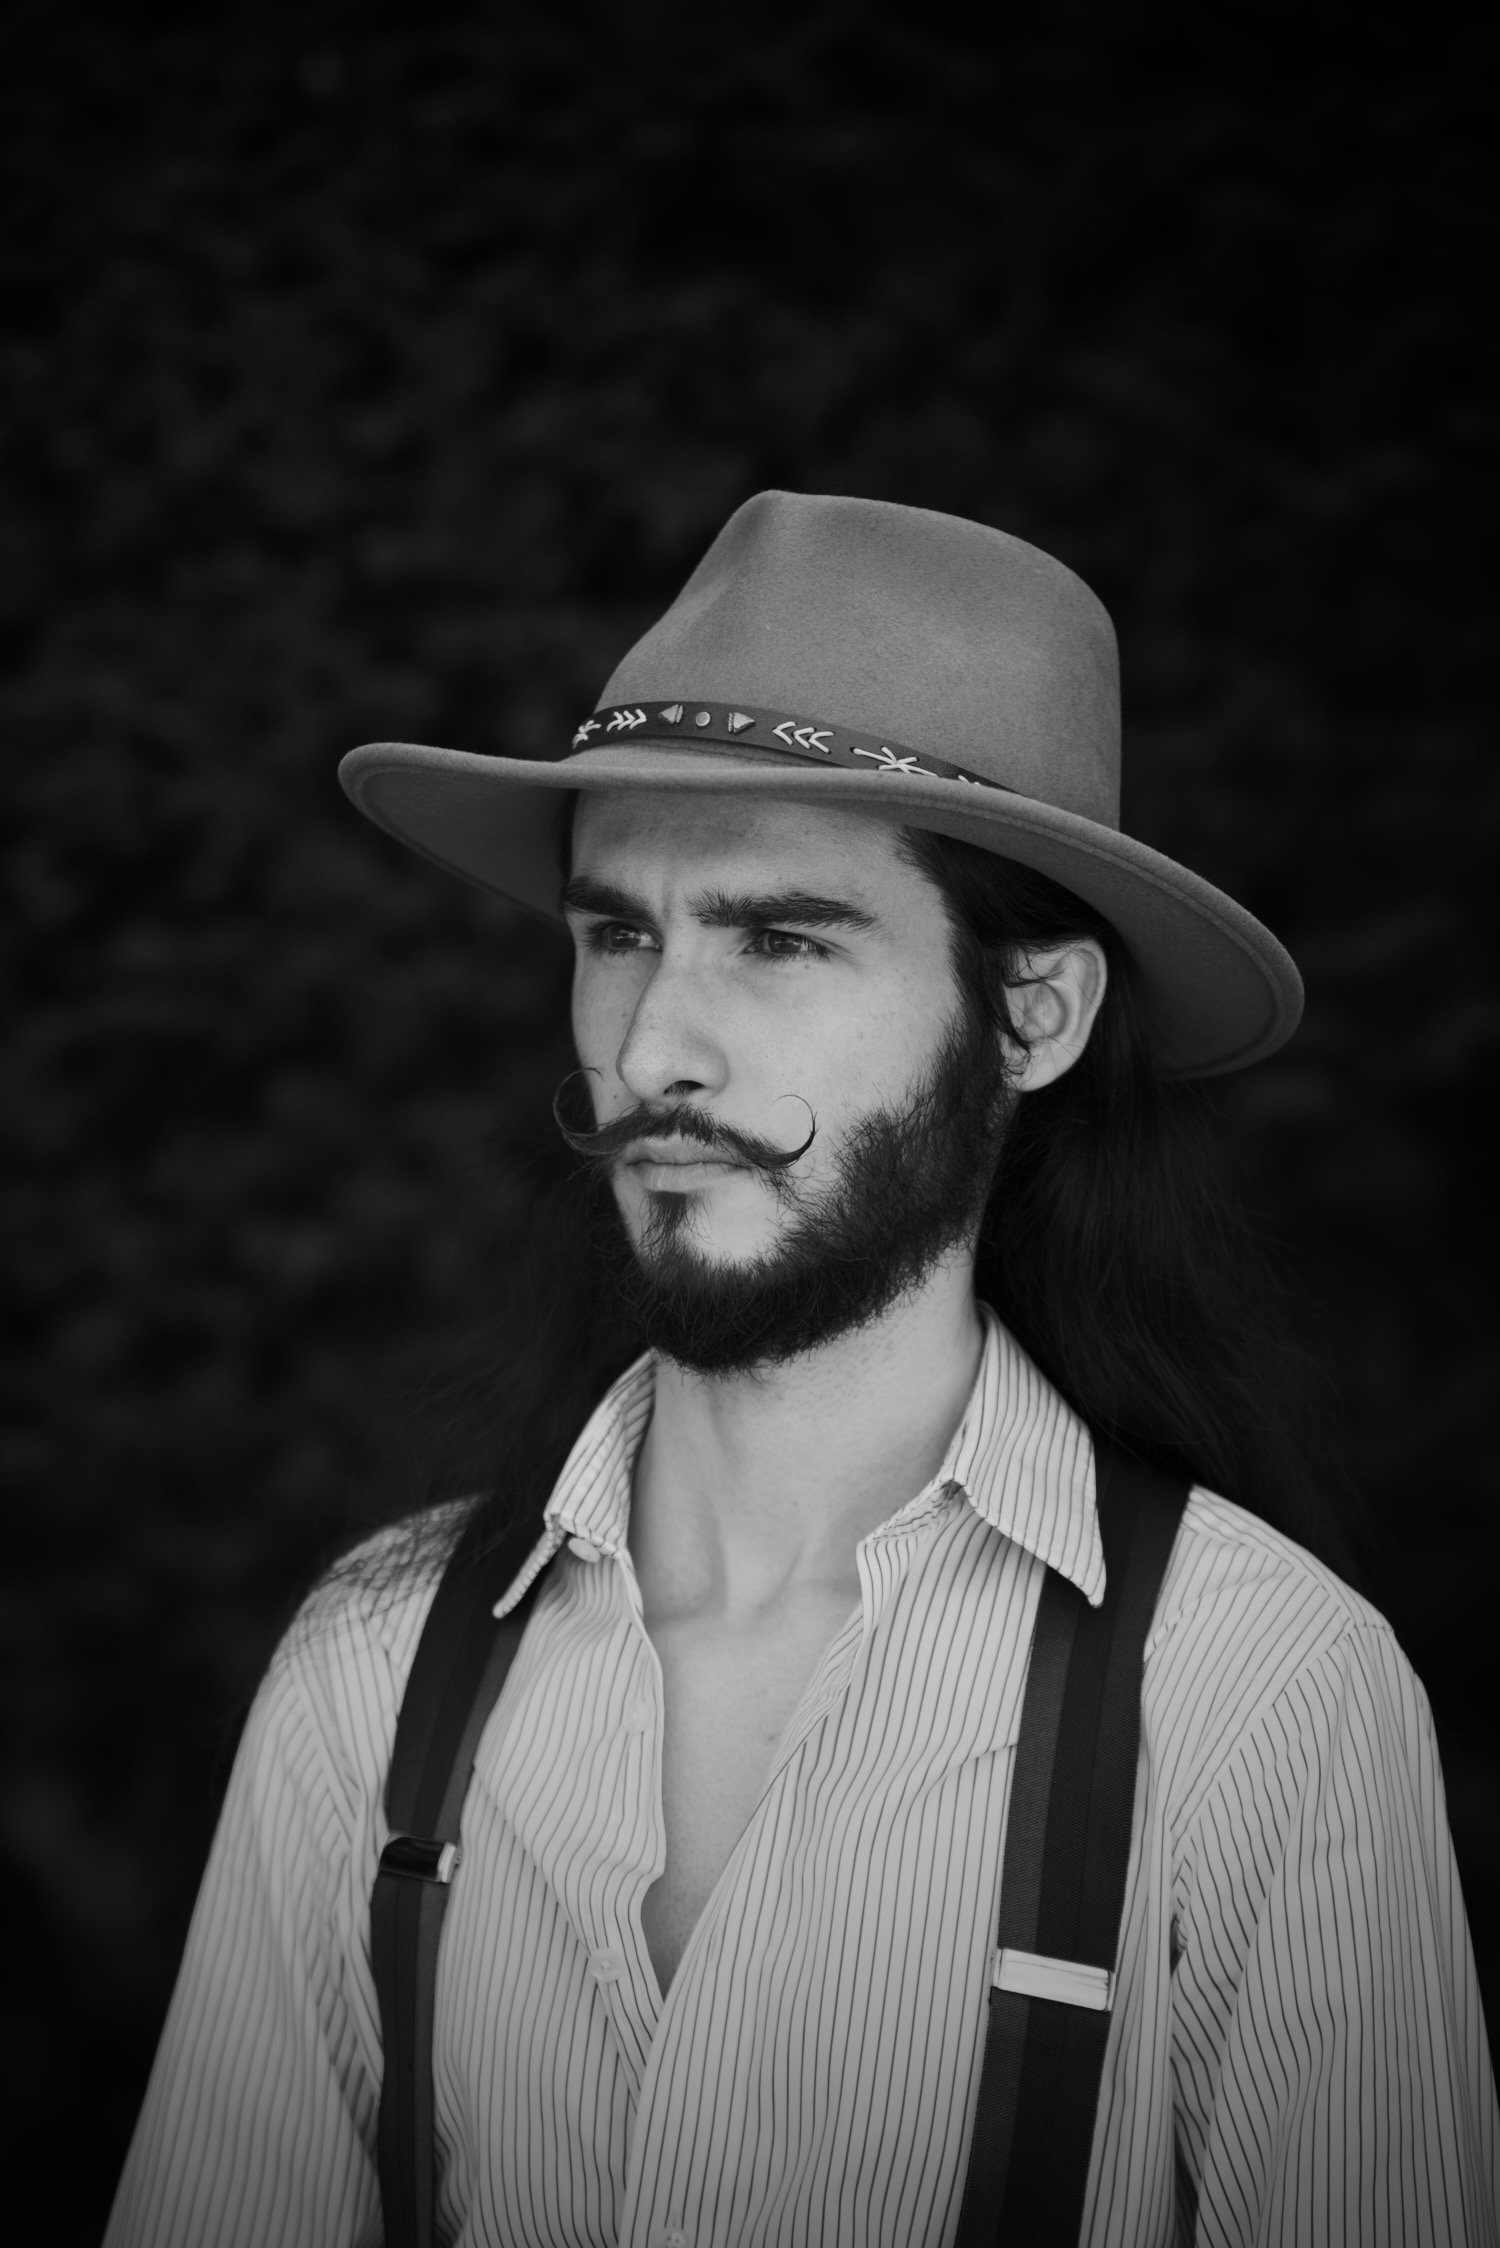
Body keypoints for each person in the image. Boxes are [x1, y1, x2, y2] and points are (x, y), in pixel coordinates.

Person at [106, 492, 1498, 2247]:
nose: (654, 1048)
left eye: (775, 938)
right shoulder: (373, 1671)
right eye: (619, 934)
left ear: (1033, 1016)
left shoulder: (1265, 1704)